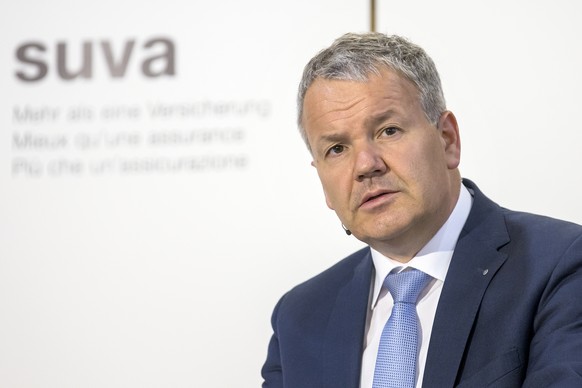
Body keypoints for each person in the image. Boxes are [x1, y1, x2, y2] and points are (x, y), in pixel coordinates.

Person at [261, 32, 582, 388]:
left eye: (388, 130)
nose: (365, 165)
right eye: (337, 149)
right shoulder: (300, 317)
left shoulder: (559, 266)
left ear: (447, 139)